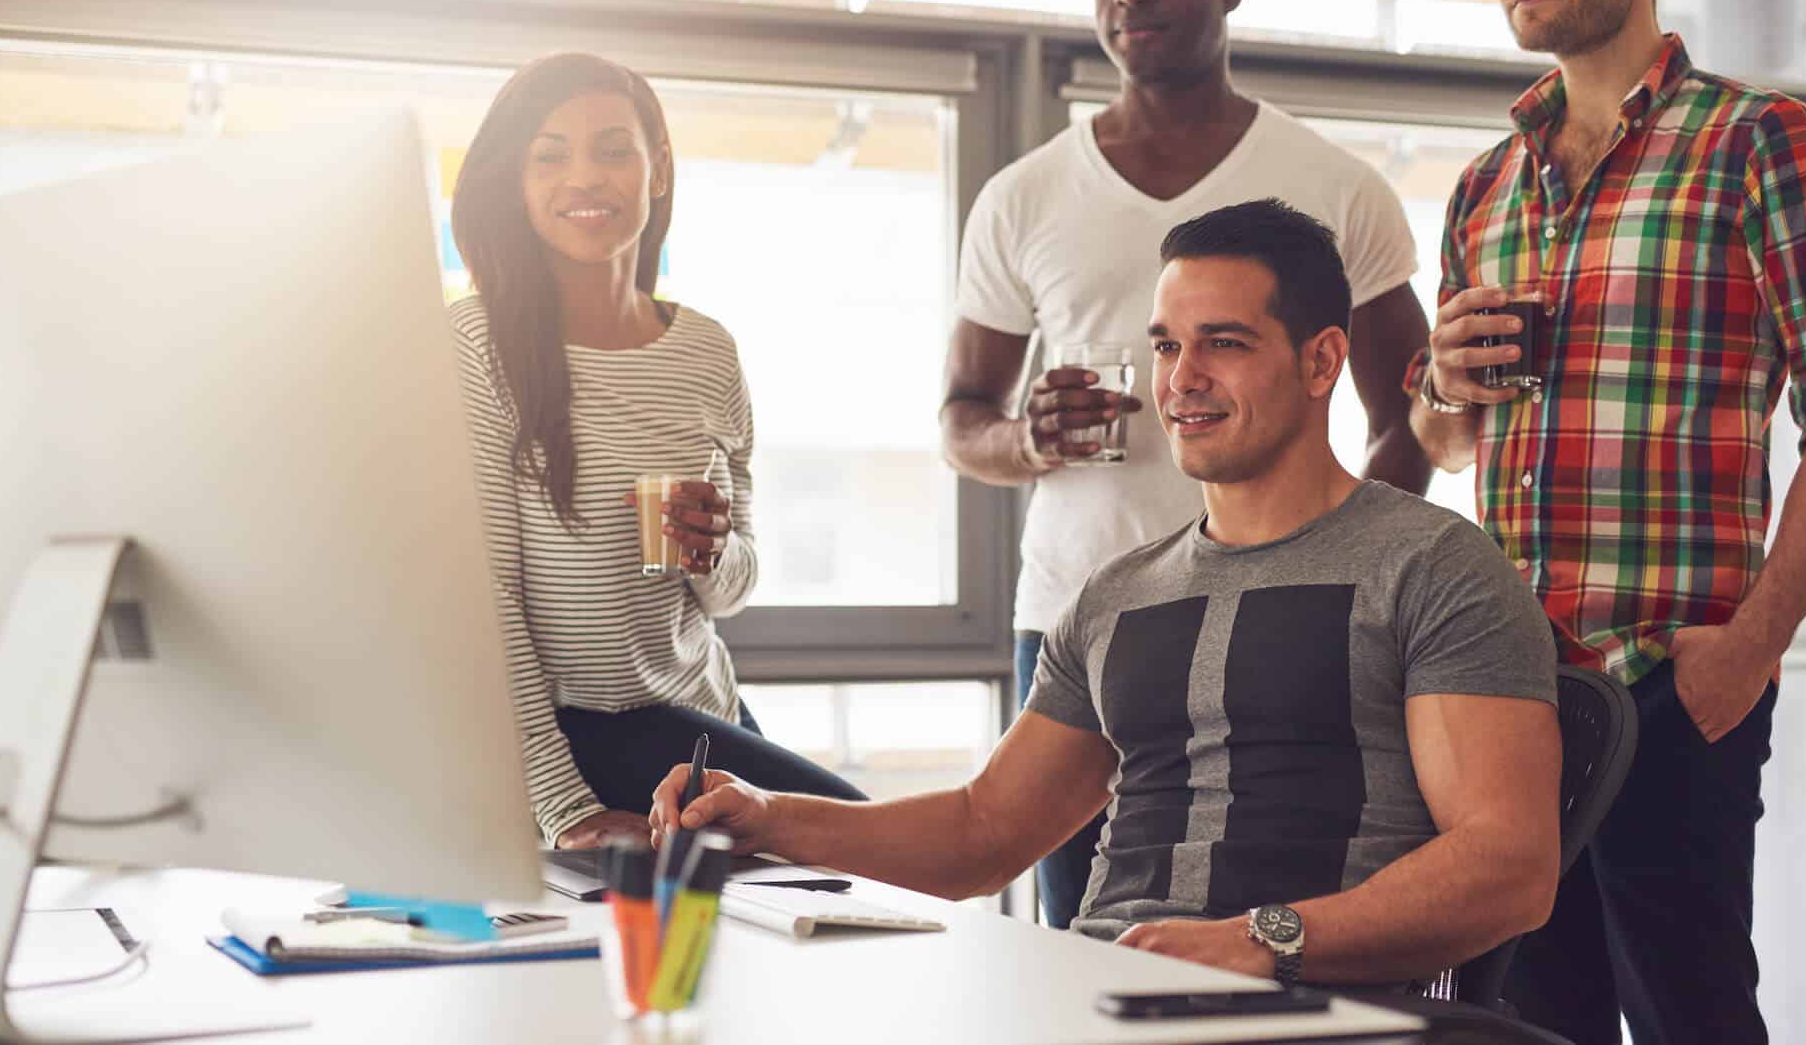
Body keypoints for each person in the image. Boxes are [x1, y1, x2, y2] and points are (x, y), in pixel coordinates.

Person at [661, 200, 1560, 990]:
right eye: (1168, 344)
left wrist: (1262, 940)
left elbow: (1510, 865)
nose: (1180, 379)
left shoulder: (1434, 566)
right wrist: (771, 819)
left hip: (1301, 1005)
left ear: (1323, 360)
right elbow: (983, 832)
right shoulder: (1115, 597)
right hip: (1090, 995)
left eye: (1225, 343)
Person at [1407, 0, 1806, 1045]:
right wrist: (1440, 379)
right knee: (1523, 1022)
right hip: (1505, 693)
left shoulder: (1760, 143)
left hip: (1665, 682)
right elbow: (1446, 438)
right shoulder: (1487, 185)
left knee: (1689, 1017)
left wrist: (1751, 643)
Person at [943, 0, 1434, 929]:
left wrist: (1345, 558)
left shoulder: (1334, 185)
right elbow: (959, 415)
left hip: (1293, 622)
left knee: (1279, 923)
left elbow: (1408, 410)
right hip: (1081, 621)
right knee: (1084, 937)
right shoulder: (1023, 195)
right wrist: (1022, 438)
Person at [448, 52, 864, 851]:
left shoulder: (707, 351)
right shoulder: (477, 343)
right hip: (579, 736)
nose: (584, 178)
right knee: (867, 854)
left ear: (658, 169)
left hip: (701, 726)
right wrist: (562, 805)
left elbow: (732, 591)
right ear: (517, 181)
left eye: (613, 149)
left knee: (850, 879)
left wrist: (708, 554)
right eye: (549, 155)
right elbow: (484, 597)